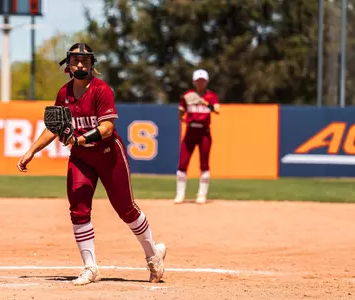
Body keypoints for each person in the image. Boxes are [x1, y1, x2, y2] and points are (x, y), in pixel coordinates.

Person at [17, 43, 167, 286]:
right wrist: (31, 151)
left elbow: (107, 128)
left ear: (92, 64)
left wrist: (81, 138)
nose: (80, 64)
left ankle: (153, 254)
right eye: (75, 60)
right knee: (78, 207)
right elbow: (54, 128)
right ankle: (90, 267)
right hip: (81, 158)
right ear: (67, 64)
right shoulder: (64, 93)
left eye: (85, 60)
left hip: (108, 154)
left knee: (125, 208)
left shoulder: (101, 90)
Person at [174, 69, 221, 204]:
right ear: (194, 81)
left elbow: (218, 110)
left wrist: (205, 103)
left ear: (207, 81)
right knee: (183, 163)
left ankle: (202, 194)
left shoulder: (211, 96)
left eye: (203, 80)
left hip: (204, 132)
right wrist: (181, 114)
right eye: (198, 80)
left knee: (204, 164)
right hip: (190, 131)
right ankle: (180, 194)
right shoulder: (188, 95)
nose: (200, 83)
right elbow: (181, 113)